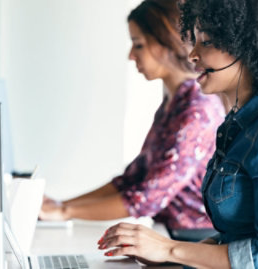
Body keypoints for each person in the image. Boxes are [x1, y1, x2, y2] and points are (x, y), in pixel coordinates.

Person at [97, 0, 258, 268]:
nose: (192, 55)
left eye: (206, 42)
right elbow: (235, 236)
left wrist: (169, 249)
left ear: (248, 44)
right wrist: (163, 256)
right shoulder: (238, 122)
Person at [39, 0, 225, 235]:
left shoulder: (197, 110)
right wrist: (60, 205)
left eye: (138, 45)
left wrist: (66, 213)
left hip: (193, 242)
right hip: (171, 233)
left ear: (164, 42)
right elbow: (132, 178)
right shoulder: (174, 102)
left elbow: (147, 198)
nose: (130, 55)